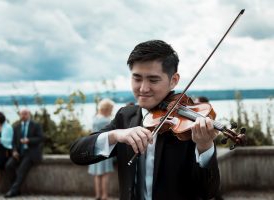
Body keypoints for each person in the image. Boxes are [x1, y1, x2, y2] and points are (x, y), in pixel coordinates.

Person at [70, 40, 220, 200]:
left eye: (153, 80)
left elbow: (208, 192)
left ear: (174, 80)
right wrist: (115, 135)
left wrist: (204, 146)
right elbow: (77, 154)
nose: (143, 88)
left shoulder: (188, 126)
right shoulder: (125, 116)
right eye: (137, 78)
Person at [4, 108, 43, 198]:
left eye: (25, 114)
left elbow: (41, 138)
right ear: (20, 115)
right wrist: (14, 151)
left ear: (29, 114)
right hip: (19, 153)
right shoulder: (16, 127)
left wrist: (29, 140)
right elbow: (13, 141)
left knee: (22, 169)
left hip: (31, 153)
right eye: (22, 114)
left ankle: (13, 191)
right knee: (8, 166)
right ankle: (15, 189)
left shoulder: (36, 125)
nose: (23, 115)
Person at [88, 98, 115, 200]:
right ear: (108, 109)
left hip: (94, 149)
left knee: (97, 174)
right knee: (105, 174)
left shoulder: (95, 119)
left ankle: (97, 195)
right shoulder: (107, 121)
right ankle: (105, 196)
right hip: (105, 149)